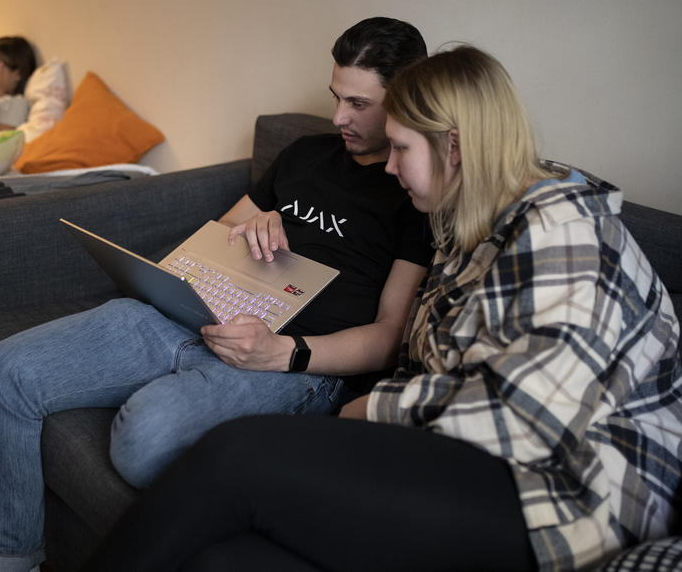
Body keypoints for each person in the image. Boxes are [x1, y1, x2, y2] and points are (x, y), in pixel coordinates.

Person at [82, 46, 682, 572]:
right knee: (223, 560)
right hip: (470, 459)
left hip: (566, 497)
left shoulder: (562, 231)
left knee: (235, 455)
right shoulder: (466, 227)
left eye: (399, 148)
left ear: (454, 145)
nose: (389, 169)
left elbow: (525, 418)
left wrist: (375, 408)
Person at [0, 16, 435, 572]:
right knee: (2, 371)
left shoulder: (415, 189)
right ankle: (6, 560)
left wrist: (283, 353)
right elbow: (212, 244)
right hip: (190, 314)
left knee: (143, 440)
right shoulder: (303, 155)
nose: (339, 118)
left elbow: (390, 337)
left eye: (359, 104)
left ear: (408, 96)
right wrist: (251, 227)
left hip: (286, 365)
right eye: (337, 97)